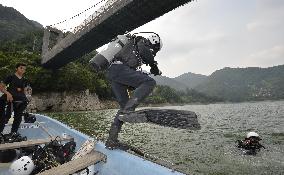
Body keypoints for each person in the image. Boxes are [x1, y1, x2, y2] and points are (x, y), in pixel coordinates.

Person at [103, 33, 163, 149]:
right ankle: (129, 110)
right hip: (119, 70)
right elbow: (145, 51)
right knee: (150, 82)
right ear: (153, 42)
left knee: (123, 108)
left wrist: (148, 70)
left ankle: (111, 140)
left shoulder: (132, 48)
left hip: (114, 72)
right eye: (154, 49)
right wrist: (153, 65)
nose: (153, 53)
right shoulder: (141, 41)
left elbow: (131, 72)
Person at [0, 63, 29, 142]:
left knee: (18, 118)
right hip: (10, 100)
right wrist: (8, 93)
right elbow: (1, 87)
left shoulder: (25, 80)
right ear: (17, 68)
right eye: (21, 68)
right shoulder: (10, 77)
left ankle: (13, 134)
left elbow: (25, 90)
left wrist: (26, 97)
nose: (23, 70)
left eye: (24, 69)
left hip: (22, 101)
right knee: (5, 118)